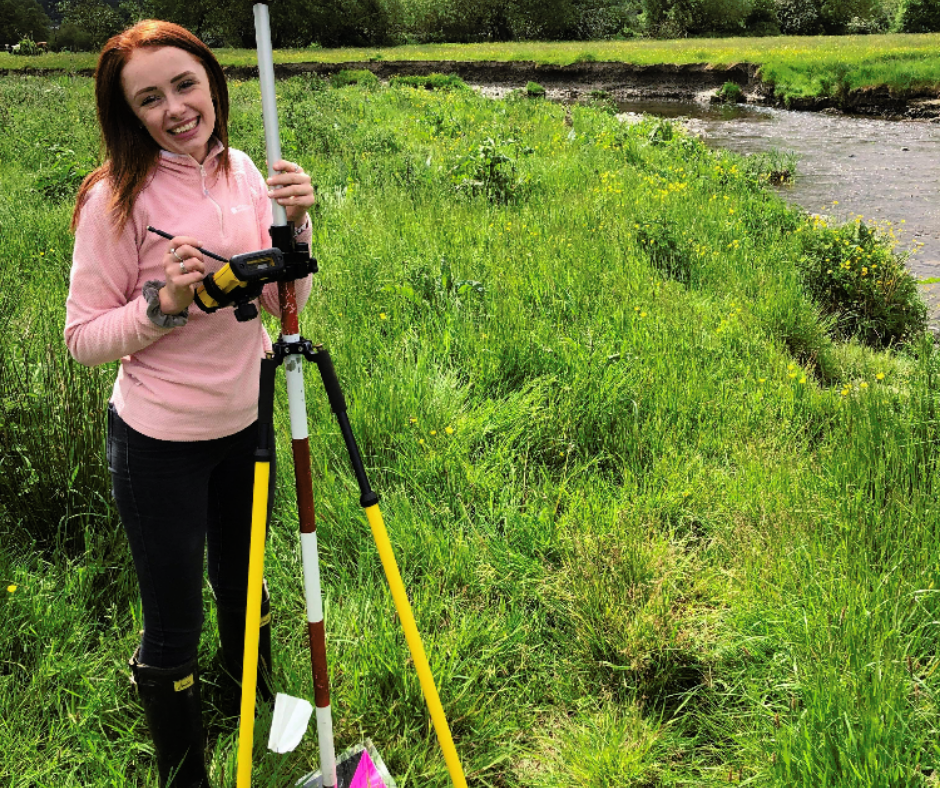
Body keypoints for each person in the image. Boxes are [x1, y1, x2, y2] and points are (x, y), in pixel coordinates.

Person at [64, 19, 316, 788]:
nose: (174, 108)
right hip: (159, 444)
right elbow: (82, 338)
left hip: (248, 423)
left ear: (211, 83)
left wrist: (298, 227)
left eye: (183, 84)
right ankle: (186, 773)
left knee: (245, 583)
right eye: (149, 98)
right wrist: (165, 302)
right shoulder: (114, 200)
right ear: (127, 114)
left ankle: (252, 703)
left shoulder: (245, 171)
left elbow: (283, 305)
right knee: (175, 617)